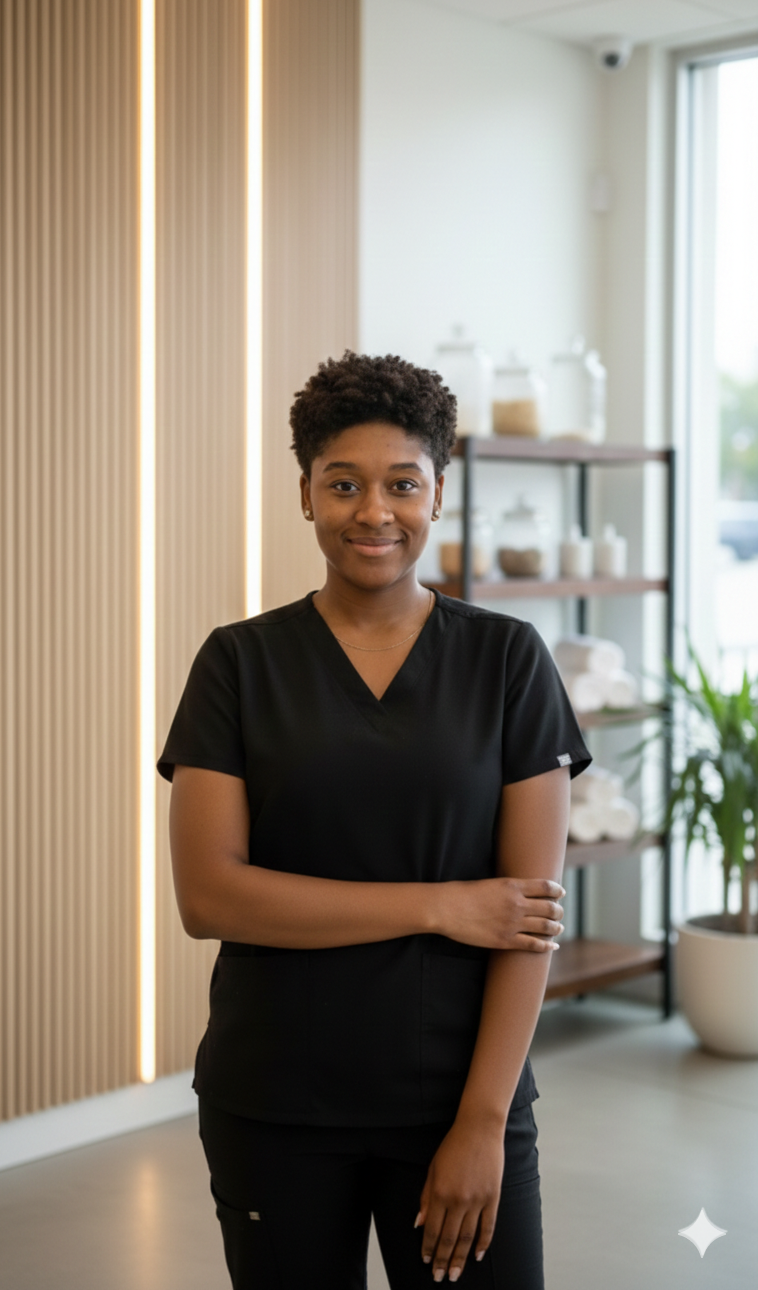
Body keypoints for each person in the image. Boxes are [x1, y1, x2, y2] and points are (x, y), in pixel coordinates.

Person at [157, 350, 592, 1289]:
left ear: (439, 490)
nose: (374, 512)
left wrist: (482, 1123)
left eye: (402, 483)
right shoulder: (237, 665)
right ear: (306, 493)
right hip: (274, 1102)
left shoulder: (509, 662)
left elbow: (529, 918)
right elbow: (210, 896)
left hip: (459, 1098)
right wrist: (441, 905)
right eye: (343, 483)